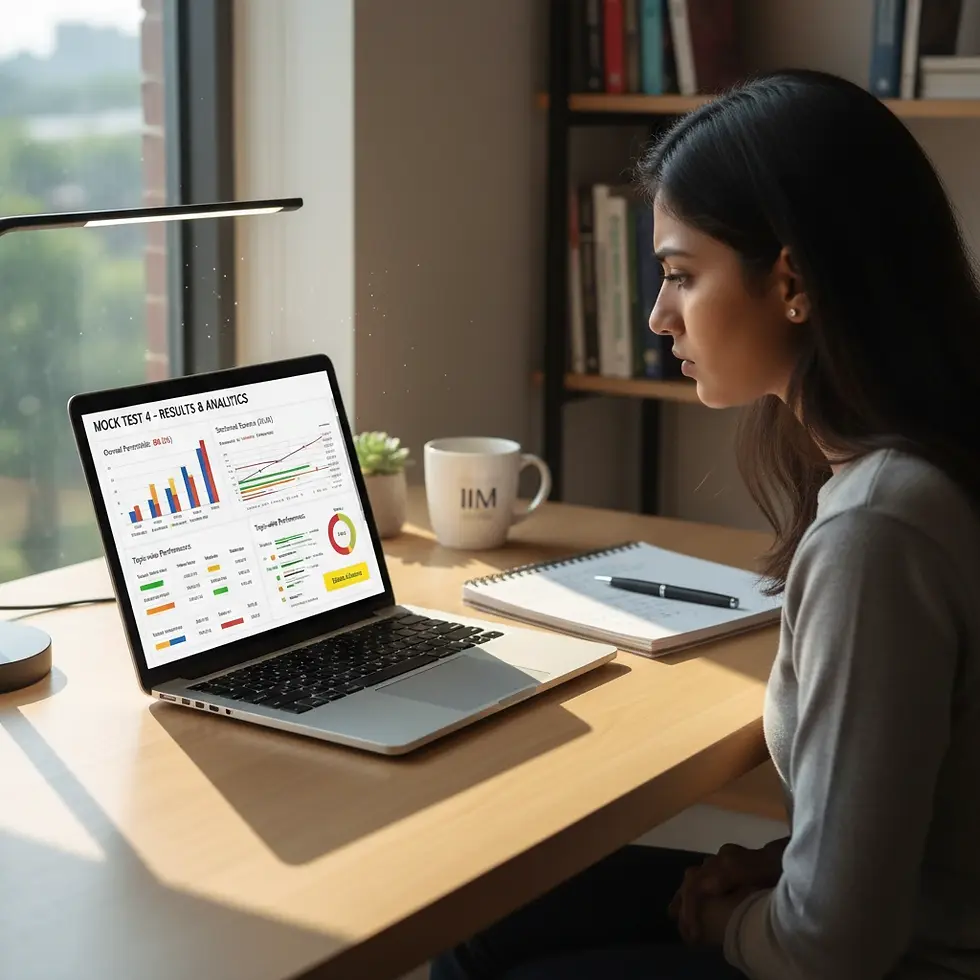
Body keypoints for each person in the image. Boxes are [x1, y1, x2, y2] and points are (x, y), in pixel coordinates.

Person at [429, 67, 980, 979]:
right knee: (488, 919)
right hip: (912, 915)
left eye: (681, 276)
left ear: (792, 278)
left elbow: (836, 947)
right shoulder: (920, 466)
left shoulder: (880, 531)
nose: (658, 317)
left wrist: (733, 923)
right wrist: (776, 871)